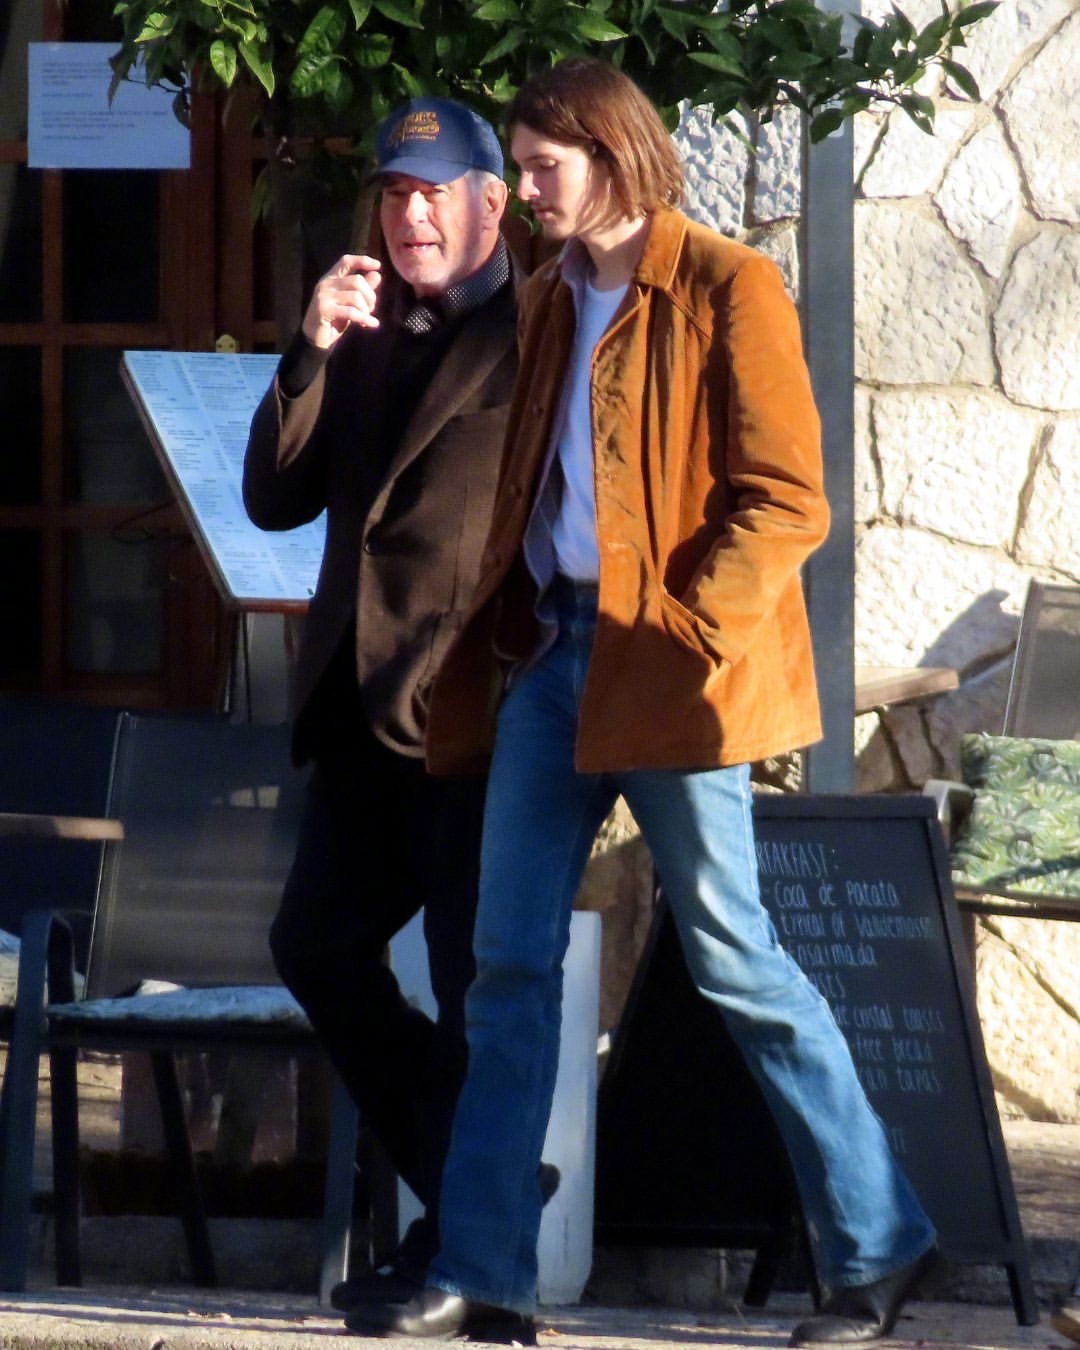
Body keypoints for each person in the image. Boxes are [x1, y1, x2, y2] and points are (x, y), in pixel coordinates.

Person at [348, 58, 938, 1347]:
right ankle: (486, 1270)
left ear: (612, 156)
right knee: (506, 967)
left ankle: (882, 1242)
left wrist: (685, 633)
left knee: (733, 957)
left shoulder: (729, 284)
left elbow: (787, 501)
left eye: (543, 167)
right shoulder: (552, 297)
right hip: (551, 659)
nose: (528, 191)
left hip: (670, 672)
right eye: (521, 167)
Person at [242, 95, 524, 1309]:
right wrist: (309, 351)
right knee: (315, 947)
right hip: (355, 710)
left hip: (469, 714)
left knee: (470, 989)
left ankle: (470, 1260)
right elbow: (275, 500)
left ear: (490, 203)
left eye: (433, 194)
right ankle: (475, 1197)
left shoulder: (538, 329)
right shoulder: (357, 325)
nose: (411, 218)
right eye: (396, 196)